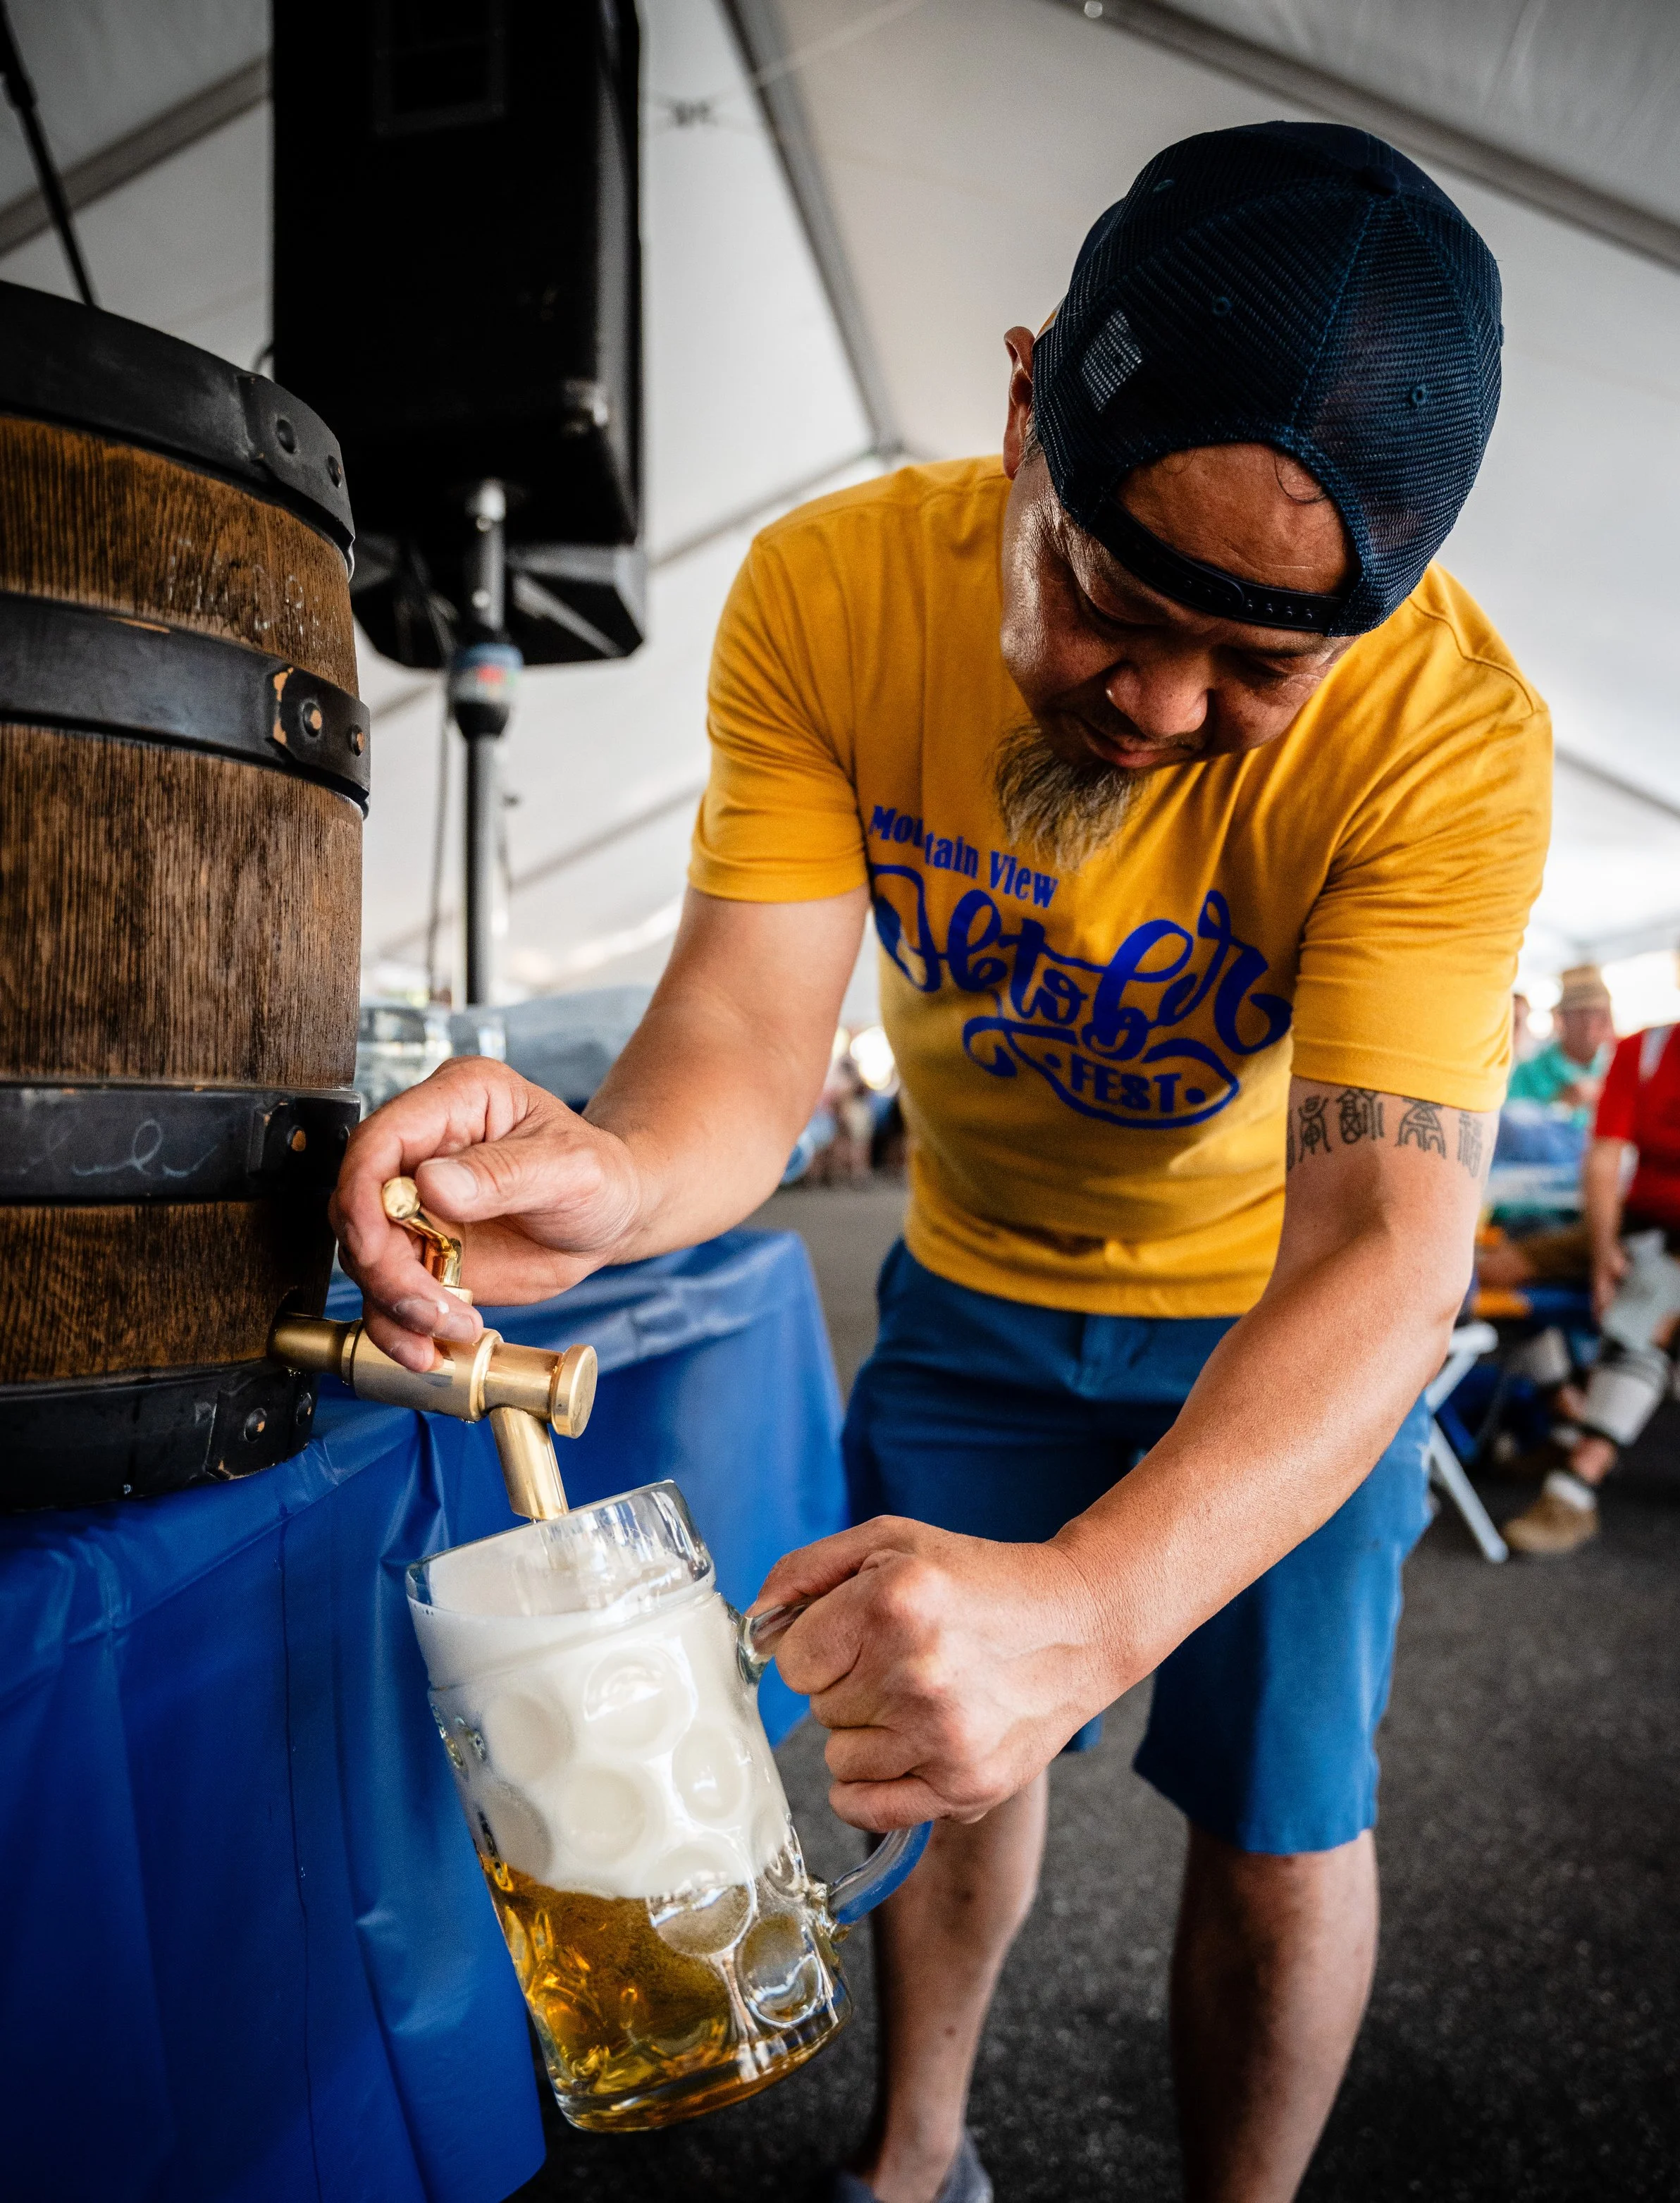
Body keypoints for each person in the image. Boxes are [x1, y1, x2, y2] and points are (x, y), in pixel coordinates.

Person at [335, 125, 1547, 2203]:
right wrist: (611, 1174)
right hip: (978, 1292)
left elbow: (1381, 1237)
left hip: (1274, 1325)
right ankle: (915, 2159)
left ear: (1381, 619)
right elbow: (735, 1040)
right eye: (1103, 593)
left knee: (1279, 1814)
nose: (1157, 704)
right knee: (931, 1743)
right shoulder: (825, 593)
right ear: (1018, 415)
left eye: (1260, 669)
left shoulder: (1447, 738)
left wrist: (1095, 1600)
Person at [1500, 928, 1680, 1557]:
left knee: (1649, 1294)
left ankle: (1573, 1491)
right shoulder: (1644, 1053)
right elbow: (1603, 1160)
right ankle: (1568, 1410)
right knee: (1485, 1271)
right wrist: (1601, 1250)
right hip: (1642, 1218)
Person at [1505, 964, 1614, 1116]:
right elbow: (1509, 1125)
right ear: (1562, 1018)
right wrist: (1561, 1105)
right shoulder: (1529, 1072)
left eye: (1601, 1015)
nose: (1592, 1026)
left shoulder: (1618, 1067)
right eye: (1582, 1015)